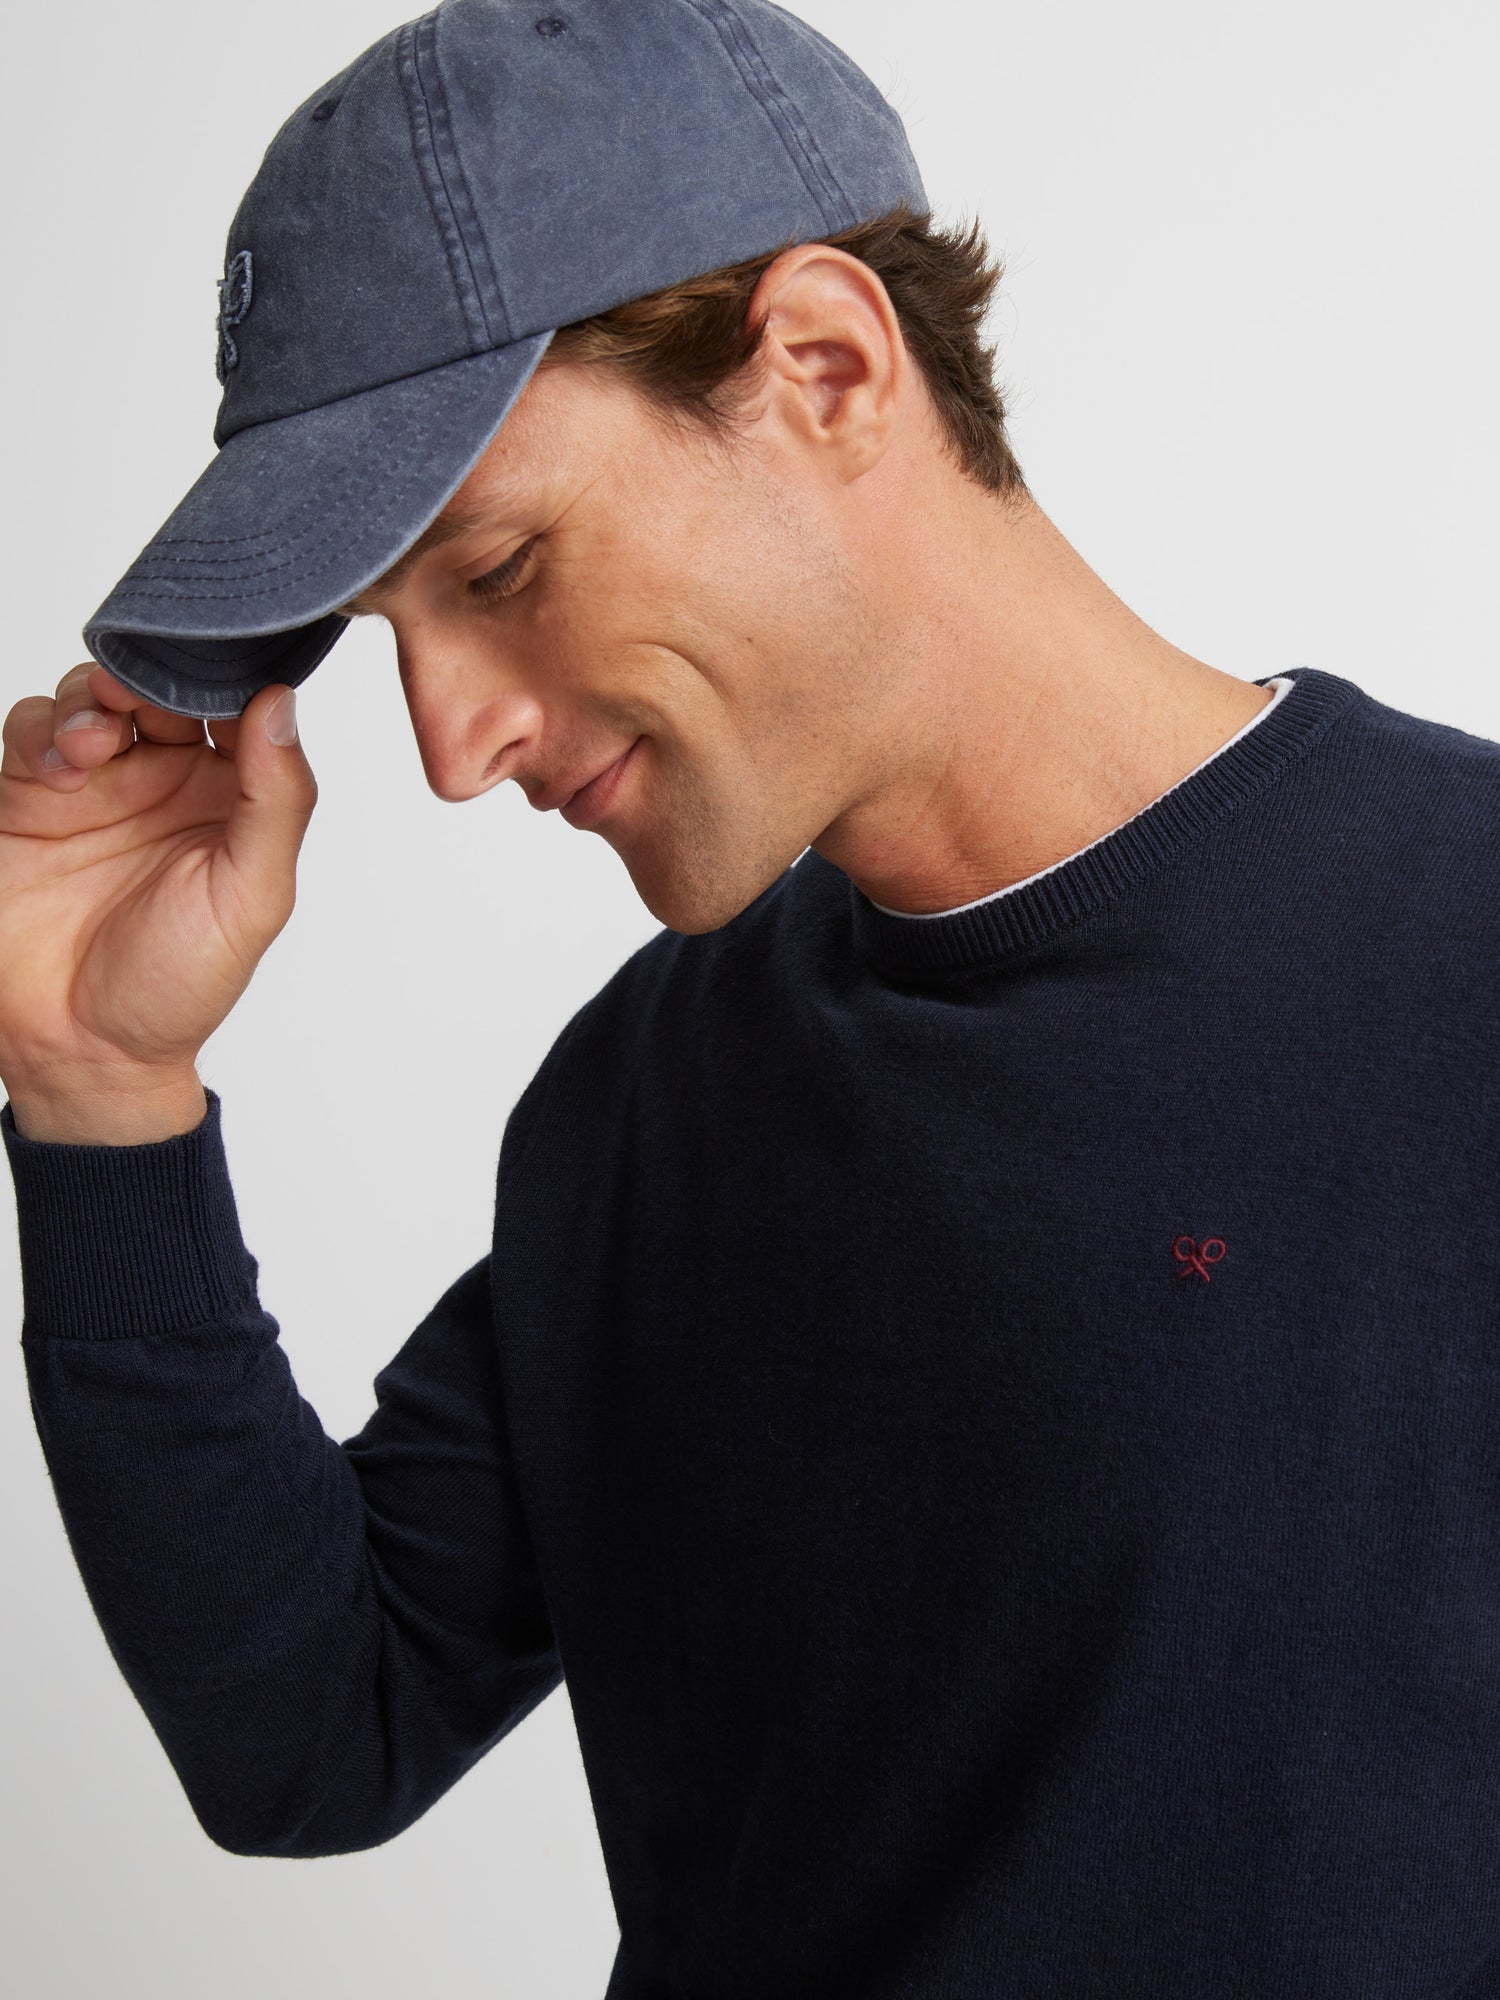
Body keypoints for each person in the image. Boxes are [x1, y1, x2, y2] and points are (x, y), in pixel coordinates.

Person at [2, 1, 1497, 1994]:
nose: (448, 746)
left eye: (500, 569)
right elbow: (314, 1733)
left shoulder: (1463, 954)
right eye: (388, 635)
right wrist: (98, 1083)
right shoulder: (644, 1098)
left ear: (824, 368)